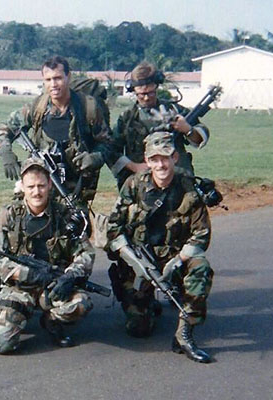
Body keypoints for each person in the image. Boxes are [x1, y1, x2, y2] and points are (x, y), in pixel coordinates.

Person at [106, 132, 214, 363]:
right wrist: (133, 260)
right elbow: (113, 228)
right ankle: (146, 301)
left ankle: (184, 332)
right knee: (138, 329)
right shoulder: (133, 185)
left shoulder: (188, 186)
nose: (161, 164)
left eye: (165, 157)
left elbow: (201, 234)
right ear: (147, 161)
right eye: (154, 159)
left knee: (200, 268)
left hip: (175, 258)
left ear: (175, 157)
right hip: (139, 259)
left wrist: (178, 261)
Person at [0, 159, 95, 355]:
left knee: (80, 304)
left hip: (53, 287)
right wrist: (26, 274)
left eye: (41, 186)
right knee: (1, 344)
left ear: (50, 185)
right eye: (31, 186)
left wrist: (69, 276)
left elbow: (86, 253)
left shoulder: (64, 216)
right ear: (22, 187)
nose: (37, 192)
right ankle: (14, 318)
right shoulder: (8, 215)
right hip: (18, 287)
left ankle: (51, 319)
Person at [0, 56, 111, 213]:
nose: (53, 85)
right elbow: (6, 128)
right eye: (48, 80)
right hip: (39, 188)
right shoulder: (37, 107)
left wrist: (95, 157)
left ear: (68, 77)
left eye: (57, 78)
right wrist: (5, 151)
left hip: (74, 191)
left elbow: (109, 143)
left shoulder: (87, 107)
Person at [110, 61, 210, 189]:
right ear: (133, 90)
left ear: (157, 87)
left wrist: (187, 129)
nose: (146, 98)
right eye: (142, 94)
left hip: (178, 181)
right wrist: (134, 166)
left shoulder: (174, 110)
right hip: (142, 183)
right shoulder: (127, 117)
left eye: (150, 92)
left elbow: (201, 137)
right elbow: (111, 149)